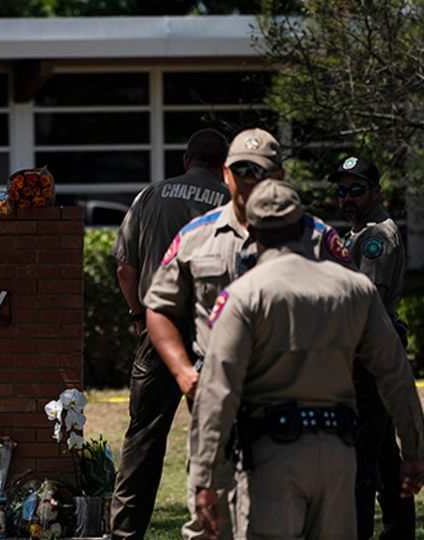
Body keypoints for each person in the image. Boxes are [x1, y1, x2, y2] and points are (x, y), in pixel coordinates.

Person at [143, 128, 351, 540]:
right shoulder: (196, 237)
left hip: (295, 405)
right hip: (218, 399)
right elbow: (159, 307)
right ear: (225, 174)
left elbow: (355, 308)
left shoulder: (315, 237)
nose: (249, 180)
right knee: (209, 522)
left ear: (280, 175)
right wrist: (184, 372)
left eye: (260, 172)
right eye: (241, 171)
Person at [190, 180, 424, 539]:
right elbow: (395, 375)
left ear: (250, 231)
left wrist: (205, 475)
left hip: (271, 455)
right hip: (337, 453)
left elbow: (217, 392)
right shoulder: (355, 289)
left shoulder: (242, 297)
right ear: (304, 226)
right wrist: (414, 449)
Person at [109, 129, 231, 539]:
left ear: (185, 160)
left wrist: (139, 315)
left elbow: (125, 267)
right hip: (215, 337)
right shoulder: (234, 202)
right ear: (223, 164)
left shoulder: (149, 197)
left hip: (158, 332)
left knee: (143, 437)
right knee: (221, 440)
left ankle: (125, 533)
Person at [329, 156, 413, 539]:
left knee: (359, 461)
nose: (347, 197)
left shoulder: (377, 235)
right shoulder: (358, 231)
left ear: (376, 191)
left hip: (367, 356)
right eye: (342, 190)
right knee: (383, 457)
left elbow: (367, 301)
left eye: (356, 189)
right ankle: (398, 531)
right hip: (368, 353)